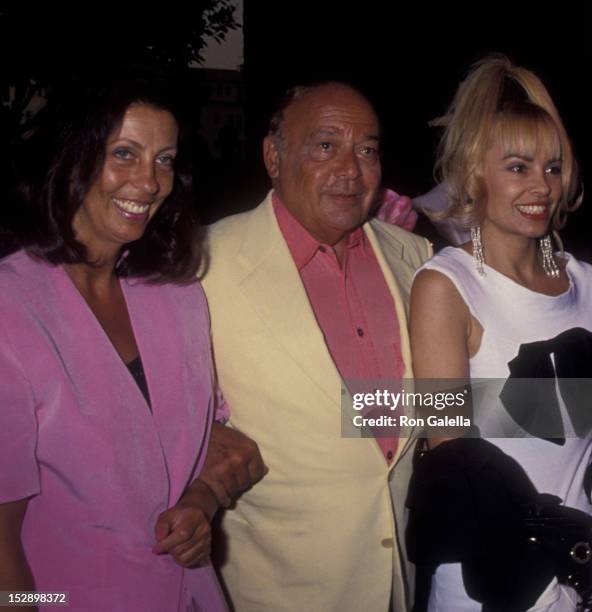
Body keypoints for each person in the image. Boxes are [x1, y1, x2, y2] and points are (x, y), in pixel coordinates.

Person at [0, 71, 228, 611]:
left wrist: (201, 502)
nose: (149, 183)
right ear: (72, 158)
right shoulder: (11, 309)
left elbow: (213, 439)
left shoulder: (175, 293)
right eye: (124, 153)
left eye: (164, 160)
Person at [201, 82, 432, 612]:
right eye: (326, 146)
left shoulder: (415, 257)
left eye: (367, 149)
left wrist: (559, 410)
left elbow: (425, 406)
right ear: (273, 157)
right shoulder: (202, 265)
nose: (351, 169)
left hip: (404, 582)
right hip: (274, 592)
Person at [409, 56, 591, 611]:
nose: (541, 186)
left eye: (553, 167)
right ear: (474, 172)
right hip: (488, 580)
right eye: (518, 167)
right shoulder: (448, 283)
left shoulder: (586, 281)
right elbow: (451, 451)